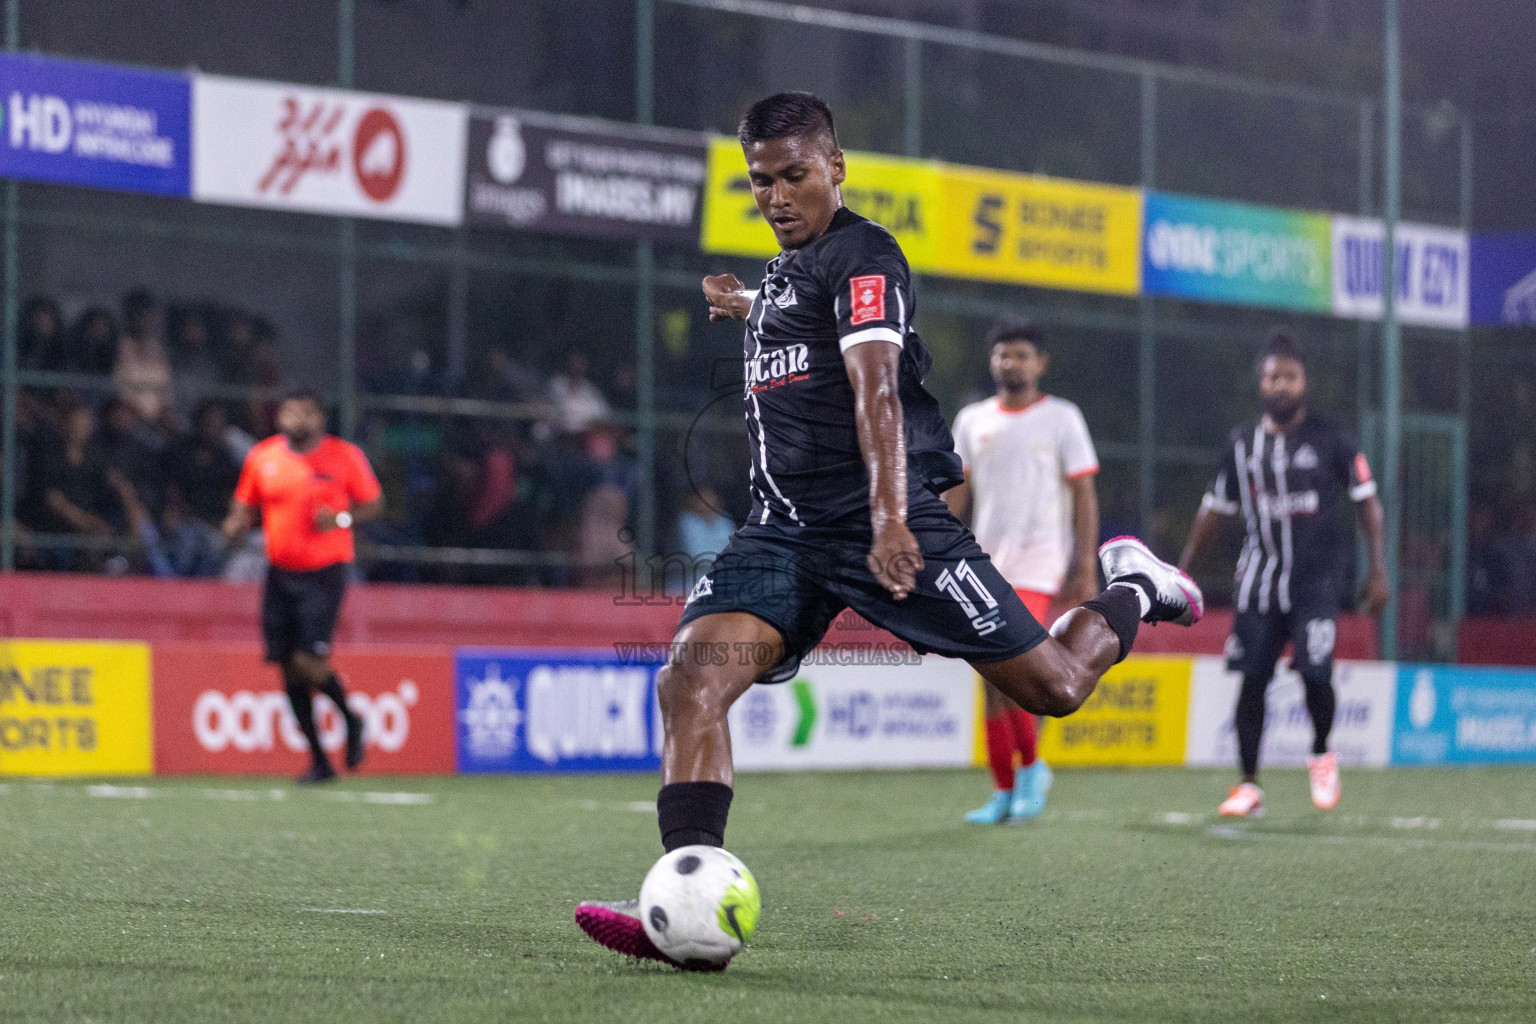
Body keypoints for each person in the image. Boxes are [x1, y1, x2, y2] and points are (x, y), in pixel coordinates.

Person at [574, 92, 1203, 969]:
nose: (778, 194)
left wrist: (888, 519)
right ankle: (683, 898)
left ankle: (1136, 584)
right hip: (784, 536)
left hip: (888, 521)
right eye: (761, 181)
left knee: (1055, 687)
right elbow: (801, 318)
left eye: (796, 175)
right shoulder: (792, 271)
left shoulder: (868, 255)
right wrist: (746, 304)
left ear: (836, 166)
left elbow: (873, 383)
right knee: (690, 681)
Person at [1177, 328, 1387, 818]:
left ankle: (1320, 751)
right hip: (1257, 584)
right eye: (1272, 377)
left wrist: (1378, 570)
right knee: (1252, 681)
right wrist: (1182, 571)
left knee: (1316, 677)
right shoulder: (1240, 444)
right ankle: (1249, 785)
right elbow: (1213, 510)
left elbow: (1368, 503)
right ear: (1260, 383)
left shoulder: (1333, 439)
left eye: (1289, 377)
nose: (1280, 385)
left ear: (1304, 382)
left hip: (1316, 585)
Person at [947, 320, 1100, 825]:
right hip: (984, 563)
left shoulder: (1062, 418)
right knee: (991, 679)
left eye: (1020, 355)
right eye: (1002, 355)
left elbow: (1083, 494)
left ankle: (1032, 769)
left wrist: (1085, 565)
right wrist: (938, 555)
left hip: (1040, 563)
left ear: (1040, 363)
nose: (1009, 363)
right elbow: (958, 496)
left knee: (1008, 671)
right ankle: (1005, 791)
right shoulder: (971, 420)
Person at [221, 388, 384, 783]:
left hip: (324, 572)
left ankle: (351, 720)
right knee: (288, 670)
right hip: (278, 573)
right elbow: (244, 503)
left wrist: (341, 520)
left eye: (303, 412)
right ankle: (320, 761)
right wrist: (235, 523)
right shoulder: (263, 458)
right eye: (288, 410)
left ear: (318, 419)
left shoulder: (344, 456)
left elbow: (373, 504)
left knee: (309, 662)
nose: (294, 418)